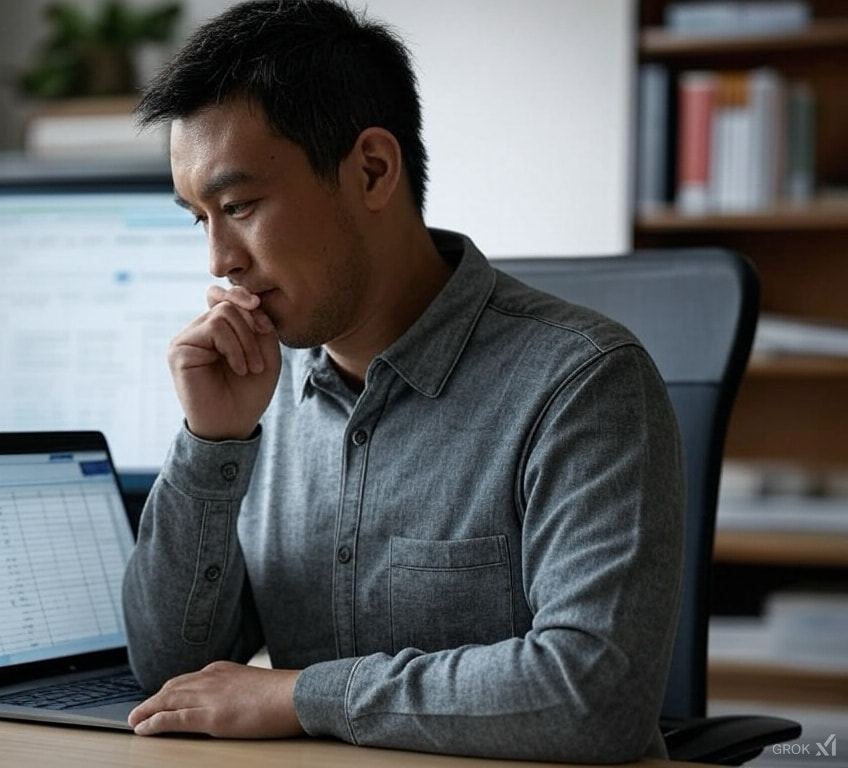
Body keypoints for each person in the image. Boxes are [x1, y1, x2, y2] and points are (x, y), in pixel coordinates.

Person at [121, 0, 684, 761]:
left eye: (240, 206)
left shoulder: (582, 383)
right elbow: (169, 677)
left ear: (373, 170)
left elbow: (592, 697)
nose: (219, 259)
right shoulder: (259, 389)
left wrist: (298, 694)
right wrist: (213, 444)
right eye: (200, 218)